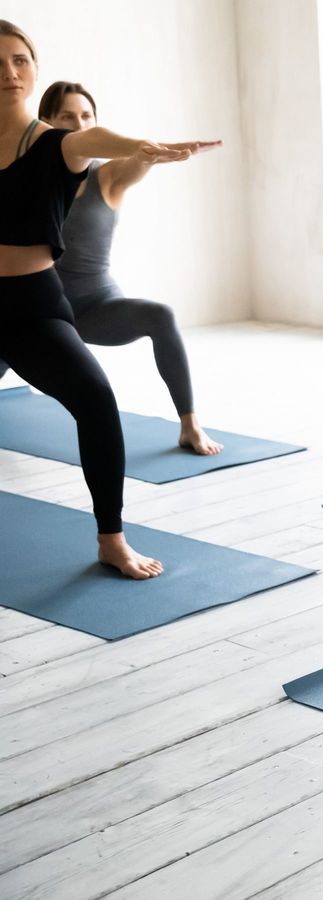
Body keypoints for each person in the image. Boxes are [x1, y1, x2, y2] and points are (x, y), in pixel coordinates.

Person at [0, 20, 218, 578]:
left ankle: (111, 539)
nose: (9, 72)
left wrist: (141, 147)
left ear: (34, 67)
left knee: (96, 401)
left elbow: (92, 141)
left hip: (32, 306)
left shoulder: (53, 144)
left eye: (20, 60)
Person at [9, 80, 222, 455]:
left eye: (86, 116)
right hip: (37, 312)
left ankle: (190, 425)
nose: (79, 126)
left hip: (94, 310)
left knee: (160, 316)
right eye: (67, 117)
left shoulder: (105, 177)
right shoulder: (26, 178)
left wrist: (151, 154)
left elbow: (135, 163)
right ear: (46, 122)